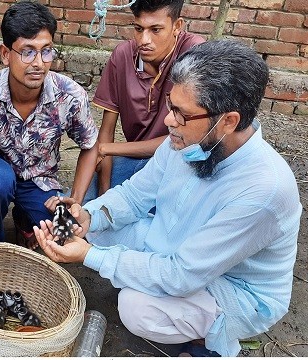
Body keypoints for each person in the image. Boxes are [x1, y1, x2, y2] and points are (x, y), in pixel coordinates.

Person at [35, 40, 301, 357]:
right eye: (170, 106)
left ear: (228, 121)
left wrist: (88, 256)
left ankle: (211, 342)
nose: (168, 120)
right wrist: (89, 216)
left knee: (135, 307)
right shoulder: (189, 138)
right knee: (93, 225)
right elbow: (134, 195)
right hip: (176, 246)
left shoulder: (264, 190)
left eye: (181, 113)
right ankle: (142, 273)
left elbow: (181, 274)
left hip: (234, 288)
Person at [0, 0, 99, 248]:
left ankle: (25, 220)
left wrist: (75, 200)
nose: (38, 63)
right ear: (5, 54)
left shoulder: (70, 95)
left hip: (41, 181)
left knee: (67, 235)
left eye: (46, 51)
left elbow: (90, 146)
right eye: (27, 51)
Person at [87, 0, 204, 200]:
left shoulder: (194, 54)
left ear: (177, 26)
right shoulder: (123, 56)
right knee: (78, 206)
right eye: (138, 29)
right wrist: (103, 193)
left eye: (155, 30)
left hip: (179, 163)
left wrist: (107, 149)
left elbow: (187, 138)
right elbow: (106, 130)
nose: (144, 40)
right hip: (135, 161)